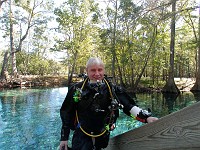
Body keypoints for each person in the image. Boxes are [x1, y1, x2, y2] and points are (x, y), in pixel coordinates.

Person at [59, 57, 158, 150]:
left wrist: (146, 118)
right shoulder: (76, 89)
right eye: (93, 70)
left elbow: (128, 106)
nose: (97, 73)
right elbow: (66, 112)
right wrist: (64, 137)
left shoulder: (112, 89)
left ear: (104, 70)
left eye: (100, 70)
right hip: (81, 133)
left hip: (103, 134)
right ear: (87, 71)